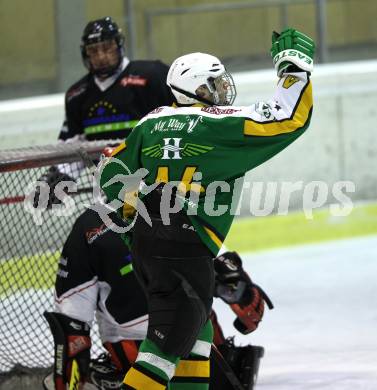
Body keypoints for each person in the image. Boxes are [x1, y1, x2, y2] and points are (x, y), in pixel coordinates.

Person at [99, 27, 315, 389]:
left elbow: (110, 171)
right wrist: (294, 69)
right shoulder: (216, 124)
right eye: (213, 84)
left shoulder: (150, 123)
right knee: (161, 354)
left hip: (147, 251)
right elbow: (288, 118)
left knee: (195, 342)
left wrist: (134, 208)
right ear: (195, 89)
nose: (221, 90)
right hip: (185, 252)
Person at [43, 205, 269, 390]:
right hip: (196, 351)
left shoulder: (90, 226)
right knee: (195, 312)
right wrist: (238, 290)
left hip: (138, 360)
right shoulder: (182, 206)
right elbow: (242, 299)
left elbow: (72, 328)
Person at [35, 16, 174, 205]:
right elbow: (74, 145)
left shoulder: (152, 76)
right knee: (85, 231)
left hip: (158, 183)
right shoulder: (77, 95)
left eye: (107, 47)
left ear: (118, 45)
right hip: (111, 188)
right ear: (85, 54)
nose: (101, 56)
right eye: (94, 51)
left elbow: (181, 118)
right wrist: (59, 177)